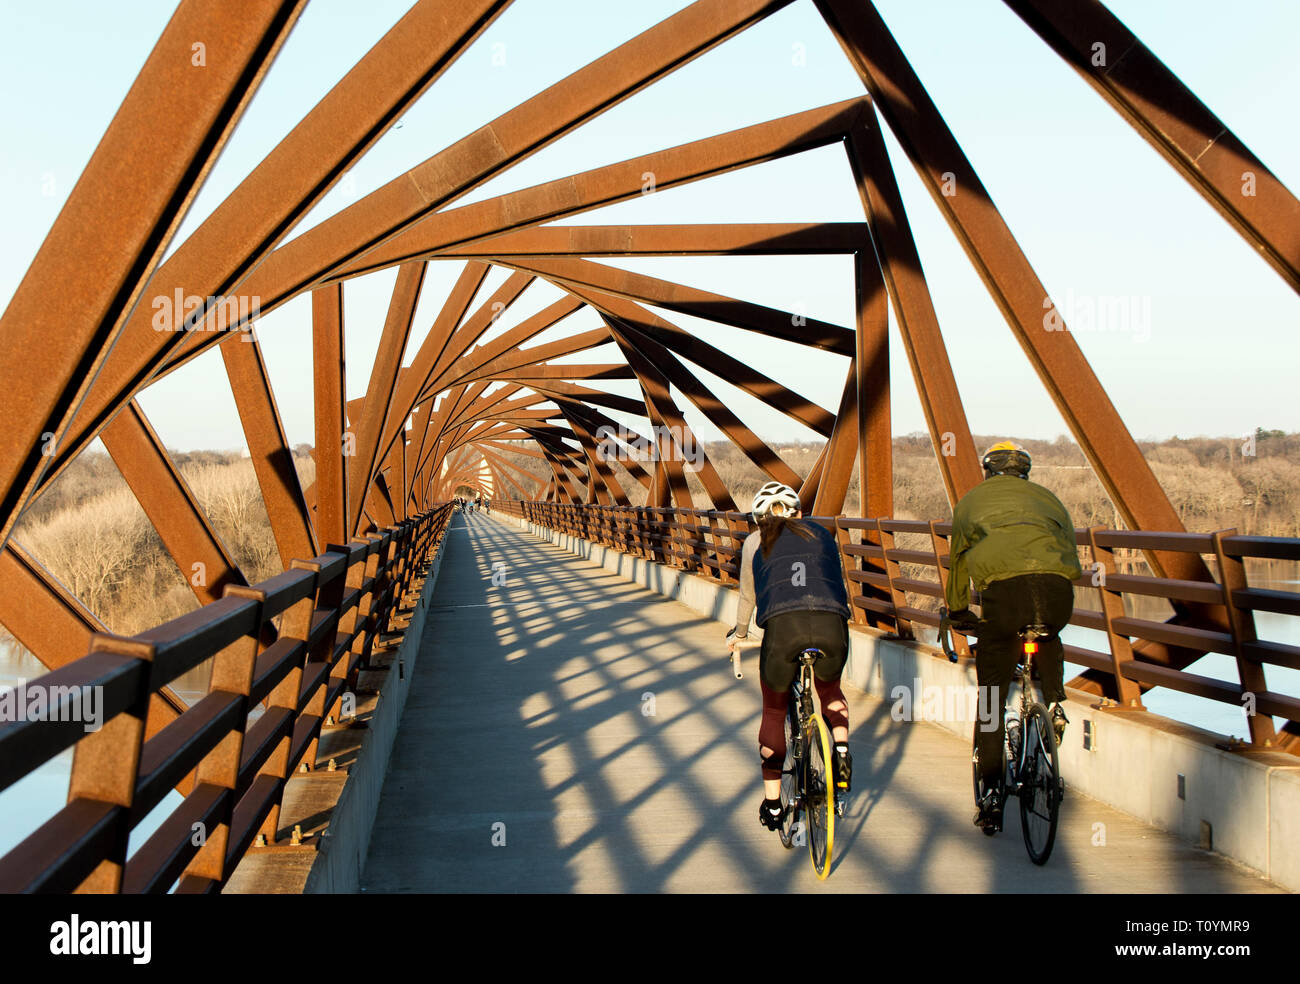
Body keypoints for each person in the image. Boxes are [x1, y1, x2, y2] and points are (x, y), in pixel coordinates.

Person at [945, 441, 1081, 833]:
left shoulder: (971, 503)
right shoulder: (1049, 499)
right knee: (1048, 634)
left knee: (990, 699)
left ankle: (990, 796)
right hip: (1055, 592)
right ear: (1026, 473)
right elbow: (1070, 552)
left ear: (988, 471)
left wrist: (958, 611)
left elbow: (958, 564)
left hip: (1004, 598)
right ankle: (1054, 703)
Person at [726, 481, 853, 832]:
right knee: (829, 691)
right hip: (831, 621)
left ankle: (773, 805)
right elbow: (832, 580)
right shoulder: (822, 534)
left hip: (783, 628)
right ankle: (840, 747)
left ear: (758, 519)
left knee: (774, 709)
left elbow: (748, 598)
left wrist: (738, 636)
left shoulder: (755, 542)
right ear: (799, 512)